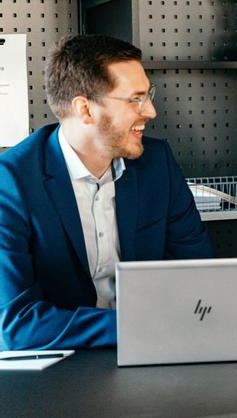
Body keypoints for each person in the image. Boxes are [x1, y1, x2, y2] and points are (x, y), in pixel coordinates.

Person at [0, 35, 214, 351]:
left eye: (148, 95)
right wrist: (137, 326)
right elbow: (16, 325)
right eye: (135, 99)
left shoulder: (157, 165)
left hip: (156, 353)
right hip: (63, 367)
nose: (151, 111)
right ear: (85, 109)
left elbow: (199, 275)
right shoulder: (11, 183)